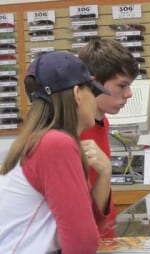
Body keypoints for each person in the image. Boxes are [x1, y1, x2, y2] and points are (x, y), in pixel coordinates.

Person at [0, 51, 110, 253]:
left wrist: (104, 174)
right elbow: (82, 242)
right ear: (77, 94)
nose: (95, 101)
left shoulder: (41, 140)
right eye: (92, 93)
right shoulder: (55, 145)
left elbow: (89, 225)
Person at [78, 38, 139, 237]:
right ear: (94, 84)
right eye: (122, 86)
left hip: (106, 237)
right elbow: (82, 211)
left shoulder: (103, 121)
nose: (129, 94)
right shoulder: (73, 131)